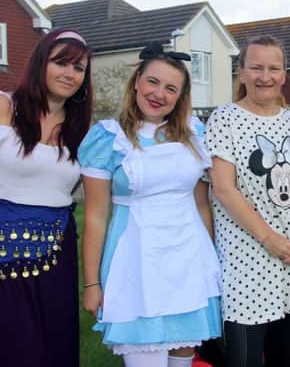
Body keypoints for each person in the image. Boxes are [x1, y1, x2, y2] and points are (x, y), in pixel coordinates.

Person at [79, 42, 221, 367]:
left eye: (171, 88)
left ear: (181, 97)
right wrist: (91, 284)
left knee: (182, 361)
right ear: (136, 82)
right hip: (135, 264)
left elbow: (202, 205)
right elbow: (97, 216)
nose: (159, 94)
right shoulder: (108, 139)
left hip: (188, 263)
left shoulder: (195, 135)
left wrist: (209, 265)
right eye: (153, 82)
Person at [205, 34, 290, 367]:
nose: (265, 76)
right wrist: (270, 239)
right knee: (244, 359)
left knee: (284, 358)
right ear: (241, 72)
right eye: (256, 67)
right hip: (247, 261)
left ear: (284, 75)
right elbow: (224, 189)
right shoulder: (224, 119)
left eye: (273, 68)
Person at [0, 28, 92, 366]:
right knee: (13, 348)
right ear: (40, 63)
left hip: (56, 254)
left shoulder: (81, 129)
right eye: (61, 62)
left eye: (79, 68)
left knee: (55, 349)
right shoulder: (3, 106)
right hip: (0, 253)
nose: (70, 73)